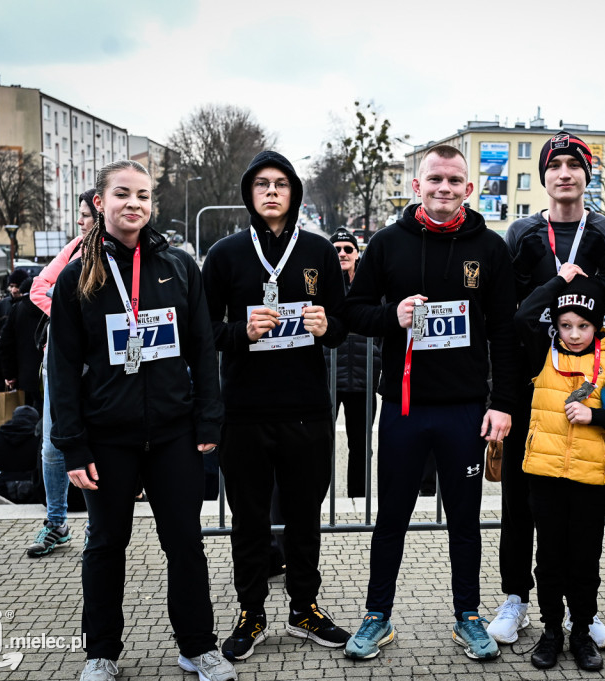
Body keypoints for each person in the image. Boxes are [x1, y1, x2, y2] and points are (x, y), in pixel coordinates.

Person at [48, 160, 235, 681]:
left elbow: (202, 349)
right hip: (108, 437)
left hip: (174, 432)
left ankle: (197, 646)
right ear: (100, 203)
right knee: (106, 545)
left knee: (185, 543)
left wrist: (208, 422)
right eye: (123, 194)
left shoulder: (177, 267)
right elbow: (61, 369)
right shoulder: (76, 277)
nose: (134, 204)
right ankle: (101, 653)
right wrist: (73, 445)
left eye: (144, 196)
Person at [341, 144, 518, 662]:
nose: (444, 188)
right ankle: (377, 615)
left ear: (469, 188)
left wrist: (502, 402)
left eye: (454, 180)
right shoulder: (387, 244)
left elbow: (505, 333)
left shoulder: (489, 248)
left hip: (465, 408)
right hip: (402, 406)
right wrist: (390, 316)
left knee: (464, 520)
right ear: (417, 187)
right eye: (434, 179)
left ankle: (468, 615)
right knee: (390, 516)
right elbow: (352, 311)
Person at [492, 131, 605, 647]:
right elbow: (509, 316)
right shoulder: (523, 233)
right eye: (554, 166)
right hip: (533, 388)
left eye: (574, 166)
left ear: (586, 175)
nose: (564, 174)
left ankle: (584, 611)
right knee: (519, 504)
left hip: (584, 392)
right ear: (545, 178)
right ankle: (516, 597)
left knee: (581, 510)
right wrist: (503, 398)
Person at [202, 150, 350, 659]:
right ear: (248, 193)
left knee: (305, 517)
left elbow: (342, 324)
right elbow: (204, 331)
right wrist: (240, 332)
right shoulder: (224, 254)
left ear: (294, 193)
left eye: (281, 184)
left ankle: (304, 607)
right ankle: (252, 611)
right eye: (261, 184)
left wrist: (328, 327)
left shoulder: (319, 251)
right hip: (244, 411)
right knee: (248, 520)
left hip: (306, 409)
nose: (270, 191)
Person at [514, 267, 605, 671]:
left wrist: (597, 417)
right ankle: (551, 631)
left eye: (584, 325)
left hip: (589, 480)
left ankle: (582, 632)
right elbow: (522, 317)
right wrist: (557, 283)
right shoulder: (542, 351)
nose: (574, 333)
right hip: (545, 475)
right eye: (566, 324)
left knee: (585, 560)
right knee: (550, 559)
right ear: (555, 325)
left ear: (598, 325)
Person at [24, 189, 96, 558]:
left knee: (99, 443)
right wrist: (72, 316)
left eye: (84, 215)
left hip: (100, 365)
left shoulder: (126, 254)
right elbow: (38, 288)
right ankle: (56, 522)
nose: (79, 222)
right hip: (60, 361)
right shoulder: (73, 249)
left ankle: (96, 529)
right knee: (52, 446)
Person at [325, 227, 381, 498]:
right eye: (336, 250)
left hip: (363, 377)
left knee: (361, 444)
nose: (342, 254)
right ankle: (317, 498)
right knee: (321, 443)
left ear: (357, 254)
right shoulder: (323, 283)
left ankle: (358, 498)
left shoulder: (369, 284)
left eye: (348, 249)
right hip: (327, 378)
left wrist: (377, 354)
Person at [0, 269, 29, 439]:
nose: (14, 289)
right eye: (11, 286)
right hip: (3, 370)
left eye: (17, 286)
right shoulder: (0, 308)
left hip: (22, 369)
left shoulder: (25, 306)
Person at [0, 276, 44, 412]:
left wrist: (10, 374)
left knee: (27, 413)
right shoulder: (49, 307)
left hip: (24, 375)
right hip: (48, 374)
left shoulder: (17, 309)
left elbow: (6, 343)